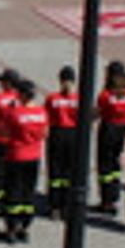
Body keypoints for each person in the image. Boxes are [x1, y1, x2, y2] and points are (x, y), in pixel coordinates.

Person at [4, 79, 49, 243]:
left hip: (16, 156)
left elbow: (3, 132)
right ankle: (25, 226)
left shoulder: (15, 113)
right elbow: (45, 133)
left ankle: (11, 227)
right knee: (28, 192)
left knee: (13, 192)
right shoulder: (41, 112)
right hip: (34, 157)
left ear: (22, 95)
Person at [94, 62, 125, 214]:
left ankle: (106, 200)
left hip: (108, 130)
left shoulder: (106, 96)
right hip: (123, 129)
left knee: (105, 166)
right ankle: (114, 195)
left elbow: (98, 112)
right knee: (115, 165)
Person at [0, 69, 23, 217]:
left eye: (2, 82)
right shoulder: (21, 98)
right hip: (14, 142)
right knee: (10, 174)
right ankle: (8, 202)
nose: (0, 84)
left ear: (8, 83)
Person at [44, 66, 78, 219]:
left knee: (69, 171)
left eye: (69, 81)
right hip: (57, 132)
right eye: (64, 81)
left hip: (72, 133)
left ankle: (66, 204)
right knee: (55, 171)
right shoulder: (53, 98)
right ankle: (54, 204)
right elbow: (46, 116)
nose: (66, 85)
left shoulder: (78, 98)